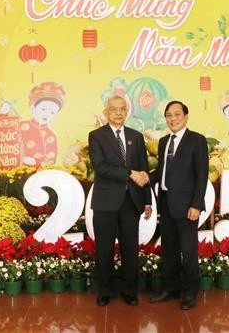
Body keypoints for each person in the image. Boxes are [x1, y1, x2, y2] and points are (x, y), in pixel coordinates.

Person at [88, 95, 152, 307]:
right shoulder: (96, 136)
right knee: (104, 249)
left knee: (130, 249)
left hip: (131, 202)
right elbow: (101, 167)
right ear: (107, 111)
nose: (118, 112)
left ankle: (129, 291)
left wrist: (148, 200)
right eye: (114, 109)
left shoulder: (136, 136)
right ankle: (104, 291)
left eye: (122, 109)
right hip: (106, 201)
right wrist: (129, 173)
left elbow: (143, 171)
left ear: (127, 112)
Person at [149, 100, 208, 310]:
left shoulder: (197, 141)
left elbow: (202, 176)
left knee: (188, 251)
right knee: (169, 249)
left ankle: (191, 292)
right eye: (168, 115)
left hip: (187, 207)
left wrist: (196, 205)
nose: (172, 119)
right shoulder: (164, 141)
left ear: (186, 116)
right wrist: (144, 177)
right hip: (166, 203)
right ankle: (170, 288)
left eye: (177, 115)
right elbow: (164, 171)